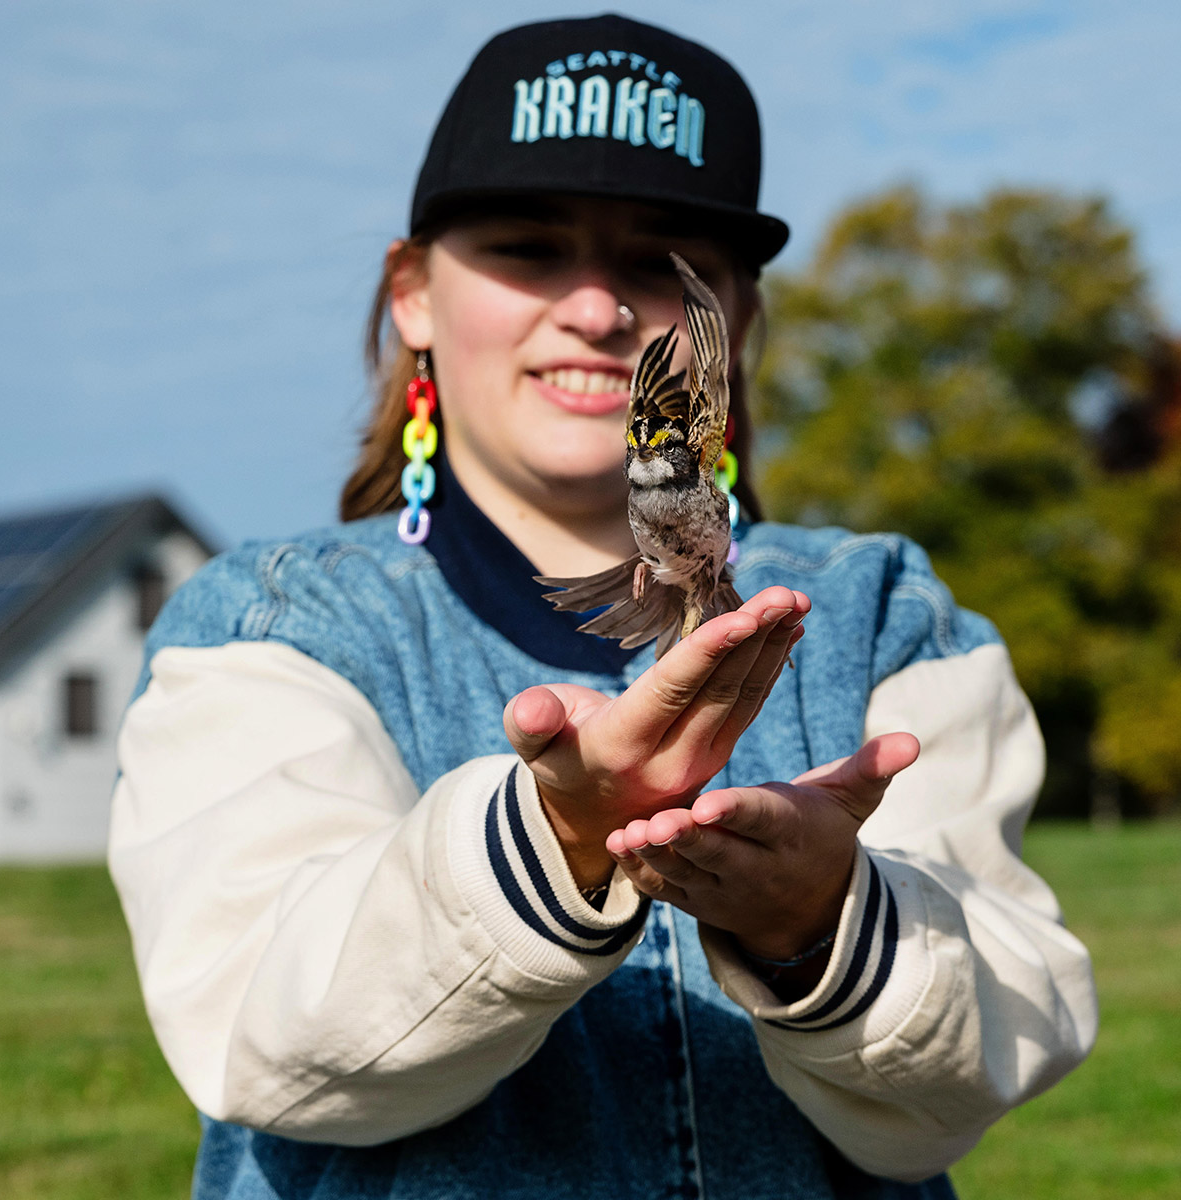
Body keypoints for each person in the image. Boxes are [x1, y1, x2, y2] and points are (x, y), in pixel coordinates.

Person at [109, 14, 1097, 1199]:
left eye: (659, 262)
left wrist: (823, 921)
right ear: (412, 293)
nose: (595, 308)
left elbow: (980, 1066)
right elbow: (270, 1044)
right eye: (528, 247)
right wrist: (554, 847)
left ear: (737, 317)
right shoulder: (264, 630)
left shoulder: (883, 614)